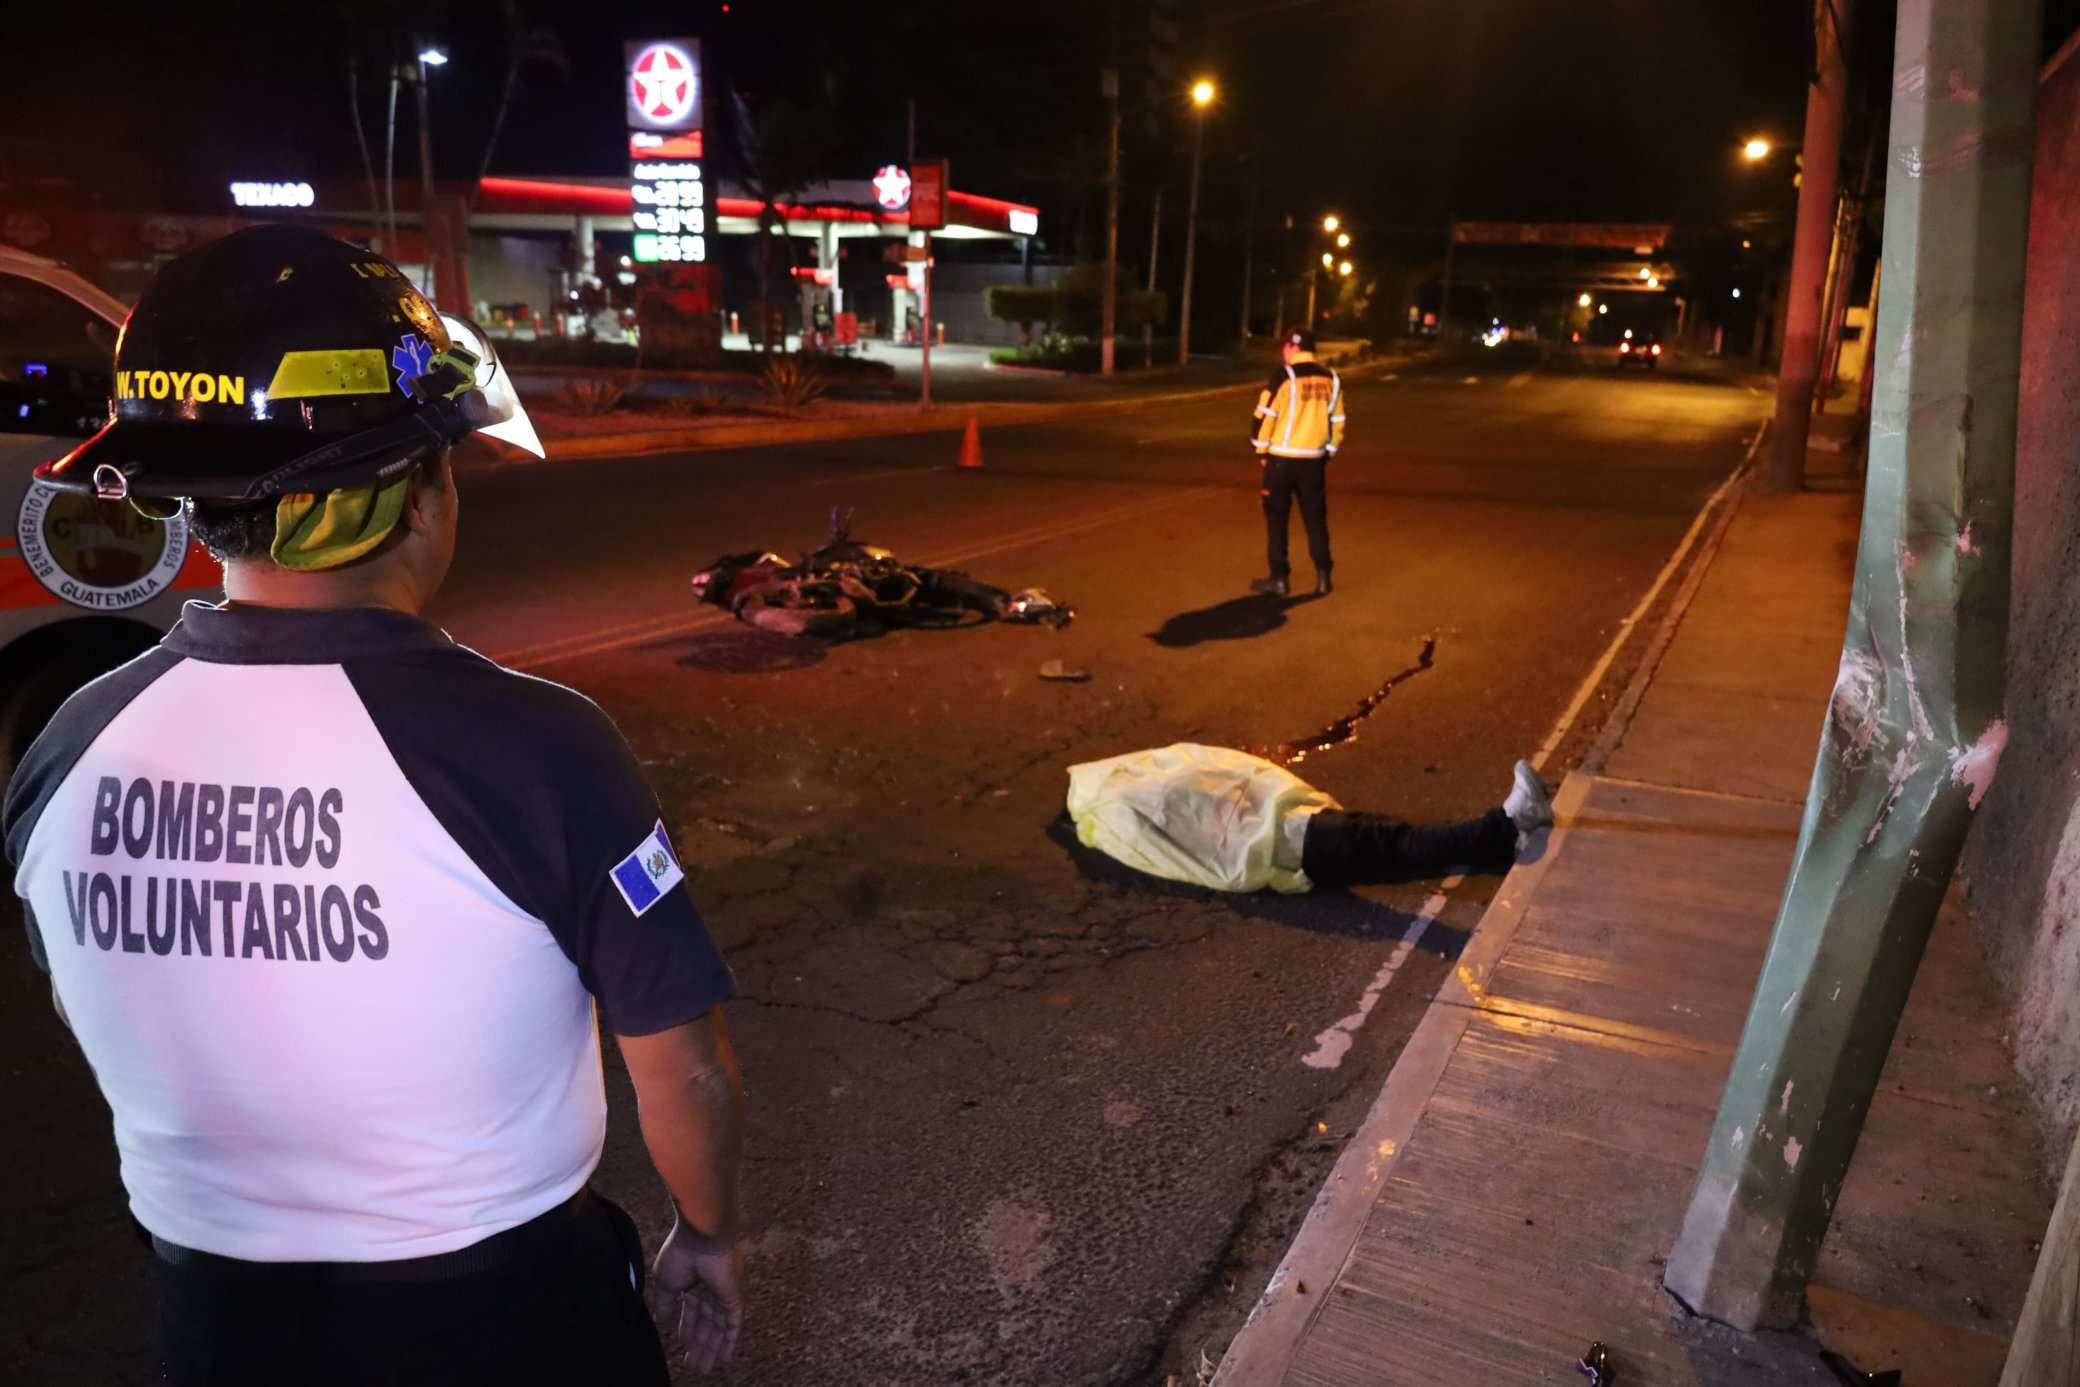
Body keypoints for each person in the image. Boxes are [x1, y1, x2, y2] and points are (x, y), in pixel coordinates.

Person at [3, 226, 745, 1385]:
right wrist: (707, 1231)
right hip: (508, 1317)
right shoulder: (537, 746)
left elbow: (95, 1000)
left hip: (213, 1326)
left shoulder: (67, 744)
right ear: (418, 490)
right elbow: (684, 1068)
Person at [1067, 745, 1553, 895]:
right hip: (1285, 840)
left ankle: (1497, 842)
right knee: (1393, 844)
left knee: (1386, 840)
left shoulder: (1115, 803)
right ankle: (1507, 824)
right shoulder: (1121, 803)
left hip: (1291, 825)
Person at [1248, 329, 1346, 598]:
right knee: (1316, 519)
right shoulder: (1331, 379)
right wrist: (1327, 451)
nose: (1283, 352)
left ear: (1293, 348)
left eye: (1285, 347)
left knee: (1277, 520)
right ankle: (1323, 577)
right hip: (1313, 461)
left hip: (1281, 460)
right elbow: (1337, 421)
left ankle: (1279, 579)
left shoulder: (1284, 376)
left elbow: (1264, 415)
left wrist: (1261, 451)